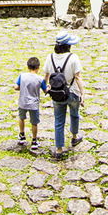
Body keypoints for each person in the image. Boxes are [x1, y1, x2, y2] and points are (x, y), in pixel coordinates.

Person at [44, 30, 85, 160]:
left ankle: (59, 149)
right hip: (72, 92)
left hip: (57, 93)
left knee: (59, 120)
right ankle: (74, 137)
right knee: (74, 114)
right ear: (68, 45)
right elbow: (77, 77)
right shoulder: (73, 58)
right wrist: (83, 94)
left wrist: (46, 88)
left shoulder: (50, 57)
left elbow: (46, 75)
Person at [15, 56, 46, 151]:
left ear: (27, 67)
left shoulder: (22, 76)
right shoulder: (40, 79)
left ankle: (22, 134)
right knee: (34, 122)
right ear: (38, 67)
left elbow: (16, 87)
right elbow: (45, 90)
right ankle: (34, 140)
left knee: (21, 117)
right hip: (34, 104)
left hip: (23, 102)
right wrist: (48, 87)